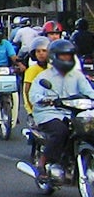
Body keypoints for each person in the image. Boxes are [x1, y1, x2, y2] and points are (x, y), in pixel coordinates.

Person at [28, 39, 94, 175]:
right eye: (63, 55)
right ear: (54, 57)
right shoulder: (44, 76)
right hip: (49, 113)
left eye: (69, 55)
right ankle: (43, 162)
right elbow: (34, 95)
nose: (66, 58)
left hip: (74, 113)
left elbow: (89, 92)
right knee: (60, 132)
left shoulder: (77, 76)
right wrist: (46, 100)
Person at [23, 36, 53, 116]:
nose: (41, 54)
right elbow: (27, 92)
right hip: (37, 108)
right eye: (38, 51)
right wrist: (32, 109)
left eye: (44, 51)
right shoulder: (31, 70)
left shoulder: (53, 68)